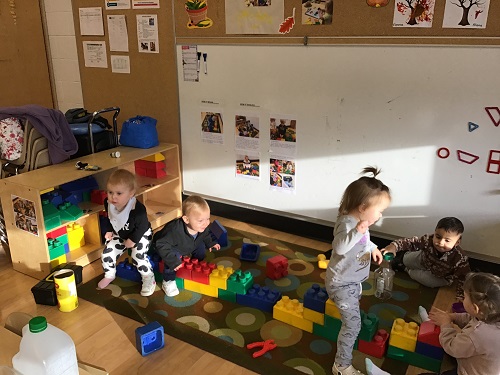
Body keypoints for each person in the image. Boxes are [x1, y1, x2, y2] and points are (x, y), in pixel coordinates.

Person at [325, 166, 391, 375]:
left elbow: (364, 241)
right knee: (353, 326)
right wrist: (358, 230)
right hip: (341, 283)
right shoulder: (347, 224)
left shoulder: (361, 223)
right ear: (363, 207)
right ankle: (341, 366)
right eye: (379, 211)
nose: (380, 215)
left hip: (353, 281)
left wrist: (373, 249)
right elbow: (340, 247)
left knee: (354, 311)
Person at [420, 272, 500, 375]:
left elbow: (452, 346)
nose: (462, 298)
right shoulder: (491, 315)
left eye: (465, 296)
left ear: (475, 308)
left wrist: (445, 324)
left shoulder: (476, 335)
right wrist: (452, 316)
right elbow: (471, 318)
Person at [382, 217, 470, 301]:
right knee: (406, 259)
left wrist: (461, 295)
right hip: (423, 260)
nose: (440, 243)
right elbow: (411, 242)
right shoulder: (428, 240)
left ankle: (405, 269)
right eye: (438, 237)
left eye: (447, 240)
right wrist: (393, 246)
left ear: (457, 242)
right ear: (435, 232)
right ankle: (402, 258)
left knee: (426, 280)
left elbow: (464, 277)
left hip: (440, 276)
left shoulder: (460, 258)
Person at [97, 169, 155, 296]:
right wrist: (108, 230)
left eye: (119, 193)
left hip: (141, 235)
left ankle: (148, 277)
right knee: (107, 254)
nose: (113, 197)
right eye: (110, 192)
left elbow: (142, 226)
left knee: (138, 256)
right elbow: (108, 217)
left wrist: (133, 240)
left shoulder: (137, 209)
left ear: (131, 193)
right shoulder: (108, 203)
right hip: (121, 234)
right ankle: (109, 274)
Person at [153, 195, 221, 297]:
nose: (206, 223)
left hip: (188, 244)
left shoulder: (202, 226)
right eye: (200, 220)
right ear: (186, 219)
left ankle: (196, 265)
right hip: (169, 246)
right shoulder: (175, 230)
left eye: (208, 219)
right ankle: (168, 281)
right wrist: (173, 261)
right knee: (172, 258)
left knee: (201, 248)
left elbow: (205, 234)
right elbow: (161, 244)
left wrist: (210, 243)